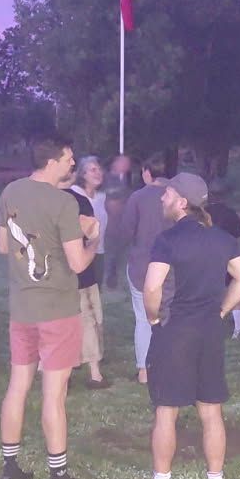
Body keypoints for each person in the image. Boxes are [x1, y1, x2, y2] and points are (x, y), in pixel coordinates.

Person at [139, 173, 240, 479]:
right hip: (208, 331)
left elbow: (151, 287)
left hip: (175, 331)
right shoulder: (220, 238)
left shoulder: (168, 240)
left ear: (182, 200)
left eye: (167, 194)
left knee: (166, 411)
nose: (162, 198)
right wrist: (221, 311)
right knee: (211, 411)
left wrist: (153, 318)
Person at [0, 136, 101, 479]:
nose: (72, 165)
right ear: (52, 161)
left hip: (22, 308)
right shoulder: (62, 202)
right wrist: (92, 239)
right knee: (54, 394)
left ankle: (10, 469)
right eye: (69, 159)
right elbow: (77, 263)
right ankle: (59, 477)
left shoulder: (11, 192)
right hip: (57, 309)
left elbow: (1, 244)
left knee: (17, 386)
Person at [118, 159, 170, 383]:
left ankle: (144, 371)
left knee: (143, 318)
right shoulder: (175, 196)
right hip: (172, 267)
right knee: (169, 315)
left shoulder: (137, 198)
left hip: (142, 266)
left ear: (147, 173)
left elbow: (126, 232)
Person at [69, 155, 110, 390]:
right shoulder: (76, 199)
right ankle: (90, 367)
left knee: (89, 308)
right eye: (92, 170)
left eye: (99, 169)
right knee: (84, 312)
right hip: (80, 257)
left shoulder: (102, 198)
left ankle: (82, 357)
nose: (97, 173)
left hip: (98, 254)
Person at [205, 179, 240, 338]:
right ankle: (239, 327)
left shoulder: (203, 213)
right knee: (236, 289)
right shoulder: (231, 214)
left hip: (208, 257)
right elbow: (237, 237)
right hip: (228, 256)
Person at [101, 153, 134, 290]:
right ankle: (107, 278)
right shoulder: (108, 179)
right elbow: (111, 204)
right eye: (124, 162)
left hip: (119, 224)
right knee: (109, 251)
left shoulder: (124, 181)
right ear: (115, 163)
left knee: (117, 252)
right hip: (110, 224)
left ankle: (112, 277)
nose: (127, 165)